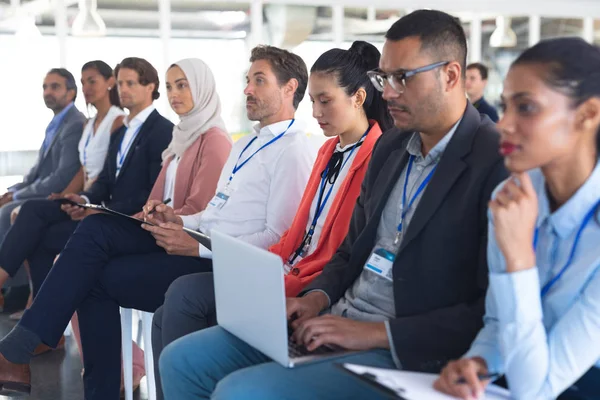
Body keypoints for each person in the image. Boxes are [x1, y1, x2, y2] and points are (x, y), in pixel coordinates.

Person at [158, 9, 509, 400]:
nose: (388, 92)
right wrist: (316, 299)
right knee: (182, 360)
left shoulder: (495, 162)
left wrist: (376, 332)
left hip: (407, 348)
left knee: (241, 391)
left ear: (451, 75)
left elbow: (490, 309)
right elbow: (347, 253)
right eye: (383, 78)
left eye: (402, 78)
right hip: (336, 315)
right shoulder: (392, 148)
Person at [0, 47, 316, 400]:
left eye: (259, 81)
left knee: (94, 235)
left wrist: (194, 243)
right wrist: (177, 219)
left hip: (222, 264)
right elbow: (212, 212)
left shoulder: (292, 151)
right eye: (247, 80)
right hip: (198, 242)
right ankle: (93, 390)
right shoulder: (247, 146)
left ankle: (17, 350)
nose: (247, 90)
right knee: (91, 267)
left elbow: (278, 240)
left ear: (290, 88)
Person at [150, 40, 394, 399]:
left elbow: (340, 252)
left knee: (184, 295)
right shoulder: (327, 149)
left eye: (324, 101)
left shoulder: (374, 156)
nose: (314, 112)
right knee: (165, 318)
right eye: (313, 101)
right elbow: (297, 235)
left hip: (308, 283)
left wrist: (289, 279)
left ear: (358, 98)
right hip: (285, 270)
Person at [435, 37, 600, 400]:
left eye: (525, 108)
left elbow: (536, 391)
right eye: (505, 106)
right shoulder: (511, 198)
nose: (503, 124)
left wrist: (518, 259)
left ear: (588, 114)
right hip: (522, 374)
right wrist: (479, 361)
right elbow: (499, 321)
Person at [69, 57, 233, 394]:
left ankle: (108, 376)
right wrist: (151, 214)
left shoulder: (213, 139)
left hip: (185, 249)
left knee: (86, 259)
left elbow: (202, 212)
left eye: (182, 85)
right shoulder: (179, 139)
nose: (174, 94)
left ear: (202, 88)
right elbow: (156, 198)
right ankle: (104, 383)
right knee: (84, 259)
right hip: (162, 234)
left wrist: (158, 217)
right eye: (171, 86)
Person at [0, 56, 173, 320]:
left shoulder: (161, 130)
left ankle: (39, 316)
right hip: (104, 210)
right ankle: (43, 319)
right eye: (121, 83)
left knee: (39, 228)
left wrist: (103, 211)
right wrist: (82, 198)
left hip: (128, 221)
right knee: (34, 216)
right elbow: (104, 179)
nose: (123, 90)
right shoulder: (123, 130)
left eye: (130, 83)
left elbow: (152, 193)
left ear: (150, 87)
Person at [6, 60, 125, 321]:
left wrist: (83, 199)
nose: (86, 87)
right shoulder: (90, 122)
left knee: (30, 213)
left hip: (100, 202)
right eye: (83, 82)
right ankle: (39, 313)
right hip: (83, 196)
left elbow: (108, 175)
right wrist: (65, 195)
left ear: (109, 83)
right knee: (33, 221)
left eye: (92, 80)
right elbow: (82, 170)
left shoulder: (118, 121)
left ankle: (29, 303)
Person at [0, 68, 85, 306]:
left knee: (10, 212)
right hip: (45, 192)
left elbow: (60, 177)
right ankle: (16, 292)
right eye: (45, 87)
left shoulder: (74, 124)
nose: (48, 92)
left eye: (55, 87)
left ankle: (14, 292)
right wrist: (11, 191)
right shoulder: (55, 123)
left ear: (71, 92)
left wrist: (17, 195)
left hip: (61, 195)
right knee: (6, 205)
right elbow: (36, 172)